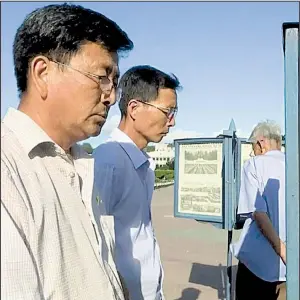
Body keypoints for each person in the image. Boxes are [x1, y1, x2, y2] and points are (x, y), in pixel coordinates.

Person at [1, 3, 133, 299]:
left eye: (115, 82)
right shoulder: (8, 169)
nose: (111, 96)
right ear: (43, 72)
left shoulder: (80, 163)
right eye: (102, 77)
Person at [93, 65, 181, 300]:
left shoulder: (143, 164)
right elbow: (93, 248)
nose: (171, 122)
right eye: (167, 111)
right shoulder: (108, 162)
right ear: (134, 108)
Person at [231, 120, 286, 300]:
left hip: (258, 267)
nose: (252, 151)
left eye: (252, 146)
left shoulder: (254, 164)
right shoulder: (293, 162)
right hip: (288, 272)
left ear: (261, 142)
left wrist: (283, 252)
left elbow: (258, 214)